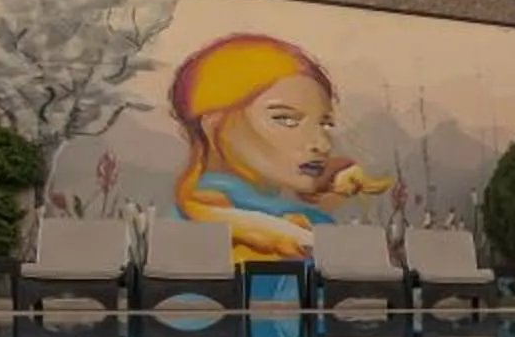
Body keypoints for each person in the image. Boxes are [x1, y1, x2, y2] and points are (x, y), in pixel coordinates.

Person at [166, 34, 395, 264]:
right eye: (285, 119)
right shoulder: (203, 229)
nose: (322, 145)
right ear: (213, 124)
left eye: (325, 124)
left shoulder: (305, 222)